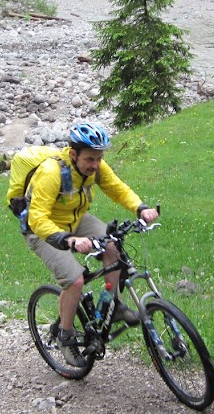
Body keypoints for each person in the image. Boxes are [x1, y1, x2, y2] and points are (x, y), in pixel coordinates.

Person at [20, 122, 159, 367]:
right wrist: (68, 239)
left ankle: (112, 304)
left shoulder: (96, 168)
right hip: (43, 230)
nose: (95, 164)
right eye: (90, 159)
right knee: (75, 280)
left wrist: (140, 207)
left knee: (114, 248)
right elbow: (37, 218)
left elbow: (117, 189)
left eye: (99, 158)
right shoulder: (51, 173)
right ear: (74, 154)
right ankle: (66, 336)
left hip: (75, 220)